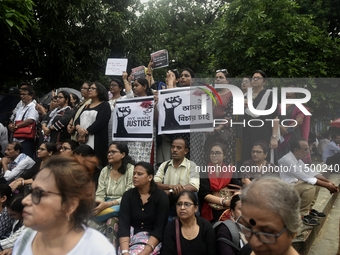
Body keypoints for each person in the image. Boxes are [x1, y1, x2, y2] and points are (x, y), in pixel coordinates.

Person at [12, 156, 116, 255]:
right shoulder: (25, 239)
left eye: (38, 193)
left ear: (70, 205)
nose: (25, 201)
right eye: (31, 192)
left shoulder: (97, 249)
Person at [279, 138, 339, 226]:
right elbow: (305, 177)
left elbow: (311, 172)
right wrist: (328, 186)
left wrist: (329, 182)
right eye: (306, 149)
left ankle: (309, 210)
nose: (309, 150)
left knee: (316, 185)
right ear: (296, 150)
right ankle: (301, 215)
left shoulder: (297, 158)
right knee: (310, 187)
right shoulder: (287, 160)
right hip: (286, 190)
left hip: (294, 186)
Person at [237, 177, 301, 255]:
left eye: (267, 233)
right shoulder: (246, 251)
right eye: (247, 227)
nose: (254, 243)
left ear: (293, 230)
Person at [118, 162, 169, 255]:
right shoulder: (128, 196)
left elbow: (159, 229)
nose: (135, 176)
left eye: (139, 174)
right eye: (134, 173)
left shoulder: (161, 197)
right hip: (130, 239)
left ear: (150, 177)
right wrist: (125, 252)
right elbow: (123, 225)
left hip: (151, 241)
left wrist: (144, 253)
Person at [154, 137, 199, 218]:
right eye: (173, 147)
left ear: (185, 151)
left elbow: (194, 186)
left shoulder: (192, 165)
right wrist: (171, 186)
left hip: (185, 202)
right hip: (168, 204)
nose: (174, 150)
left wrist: (170, 191)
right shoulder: (164, 165)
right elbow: (156, 183)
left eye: (178, 148)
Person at [161, 191, 217, 255]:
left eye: (187, 204)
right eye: (179, 204)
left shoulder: (206, 227)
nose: (182, 208)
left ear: (196, 208)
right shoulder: (171, 228)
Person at [241, 70, 279, 164]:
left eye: (258, 78)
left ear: (264, 81)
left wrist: (274, 137)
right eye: (253, 78)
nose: (255, 79)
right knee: (248, 156)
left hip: (264, 132)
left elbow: (275, 117)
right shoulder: (245, 96)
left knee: (264, 156)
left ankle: (265, 178)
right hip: (248, 132)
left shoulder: (270, 95)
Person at [94, 142, 134, 221]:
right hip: (105, 202)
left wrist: (108, 204)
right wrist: (100, 204)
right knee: (88, 208)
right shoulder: (105, 170)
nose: (109, 154)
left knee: (116, 209)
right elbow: (100, 193)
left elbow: (129, 195)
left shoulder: (131, 169)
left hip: (123, 204)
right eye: (108, 152)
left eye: (113, 152)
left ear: (122, 154)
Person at [75, 82, 111, 166]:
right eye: (89, 88)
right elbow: (77, 120)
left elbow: (101, 122)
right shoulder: (87, 106)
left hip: (96, 139)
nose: (90, 90)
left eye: (93, 88)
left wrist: (87, 132)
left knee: (93, 162)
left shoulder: (105, 105)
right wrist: (79, 128)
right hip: (82, 138)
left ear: (100, 91)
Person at [199, 142, 236, 222]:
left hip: (228, 206)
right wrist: (223, 201)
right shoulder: (204, 171)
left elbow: (238, 188)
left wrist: (232, 201)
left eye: (218, 153)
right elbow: (204, 194)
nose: (214, 155)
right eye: (212, 153)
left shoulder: (230, 171)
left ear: (224, 155)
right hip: (210, 207)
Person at [205, 69, 235, 166]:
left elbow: (230, 114)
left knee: (224, 157)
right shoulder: (211, 94)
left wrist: (219, 128)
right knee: (210, 156)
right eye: (216, 78)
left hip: (225, 130)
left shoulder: (232, 94)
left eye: (221, 77)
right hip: (210, 129)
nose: (218, 79)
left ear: (227, 81)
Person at [278, 86, 311, 162]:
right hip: (279, 134)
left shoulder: (299, 107)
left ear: (295, 95)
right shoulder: (278, 106)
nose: (288, 93)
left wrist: (286, 129)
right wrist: (280, 127)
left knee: (292, 154)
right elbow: (273, 118)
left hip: (292, 135)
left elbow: (298, 121)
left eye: (290, 91)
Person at [127, 78, 155, 163]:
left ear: (144, 86)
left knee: (145, 161)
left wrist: (155, 106)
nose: (134, 88)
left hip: (146, 137)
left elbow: (156, 119)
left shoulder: (152, 100)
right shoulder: (131, 102)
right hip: (133, 136)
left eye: (136, 85)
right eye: (133, 86)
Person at [8, 87, 39, 159]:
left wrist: (16, 126)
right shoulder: (20, 108)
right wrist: (11, 125)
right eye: (21, 94)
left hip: (26, 137)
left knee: (26, 158)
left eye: (24, 94)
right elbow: (14, 120)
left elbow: (31, 120)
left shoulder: (33, 106)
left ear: (31, 96)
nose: (22, 96)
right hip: (17, 137)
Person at [108, 75, 133, 143]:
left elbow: (130, 95)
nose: (111, 87)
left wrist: (125, 79)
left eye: (114, 85)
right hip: (108, 129)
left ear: (120, 88)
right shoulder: (107, 101)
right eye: (110, 85)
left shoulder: (123, 98)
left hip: (119, 129)